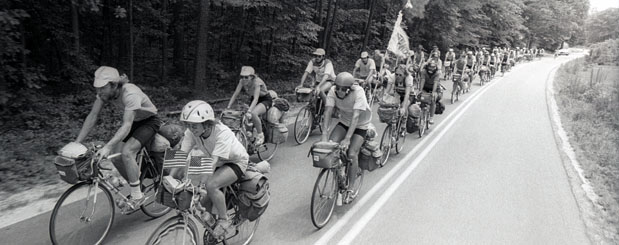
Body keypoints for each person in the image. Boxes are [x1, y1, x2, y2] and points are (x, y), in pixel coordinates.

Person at [75, 66, 161, 210]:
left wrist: (107, 146)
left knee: (127, 152)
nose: (98, 92)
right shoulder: (105, 93)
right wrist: (77, 142)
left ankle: (137, 196)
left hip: (149, 121)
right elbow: (93, 116)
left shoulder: (130, 94)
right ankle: (138, 188)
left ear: (114, 85)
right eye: (97, 89)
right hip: (134, 121)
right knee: (115, 157)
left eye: (102, 88)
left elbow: (126, 125)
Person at [178, 100, 249, 238]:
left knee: (211, 185)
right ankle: (213, 228)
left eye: (194, 125)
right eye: (188, 125)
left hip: (235, 161)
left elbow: (212, 163)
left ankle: (224, 220)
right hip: (214, 161)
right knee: (202, 202)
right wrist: (169, 178)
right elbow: (180, 156)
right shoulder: (191, 133)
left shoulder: (222, 132)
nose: (191, 129)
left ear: (206, 123)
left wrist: (201, 185)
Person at [321, 72, 372, 203]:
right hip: (344, 121)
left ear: (350, 88)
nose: (339, 91)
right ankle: (340, 174)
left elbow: (356, 117)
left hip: (361, 124)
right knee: (331, 147)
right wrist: (324, 135)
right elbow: (327, 111)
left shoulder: (359, 92)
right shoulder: (332, 91)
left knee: (351, 153)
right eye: (337, 87)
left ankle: (350, 188)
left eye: (343, 89)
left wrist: (348, 138)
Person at [228, 66, 271, 145]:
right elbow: (235, 94)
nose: (244, 79)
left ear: (251, 77)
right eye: (242, 77)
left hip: (264, 99)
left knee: (253, 113)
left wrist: (250, 110)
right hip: (253, 99)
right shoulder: (242, 82)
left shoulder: (257, 82)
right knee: (242, 114)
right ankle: (249, 135)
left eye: (246, 77)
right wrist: (228, 107)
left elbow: (256, 99)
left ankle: (261, 135)